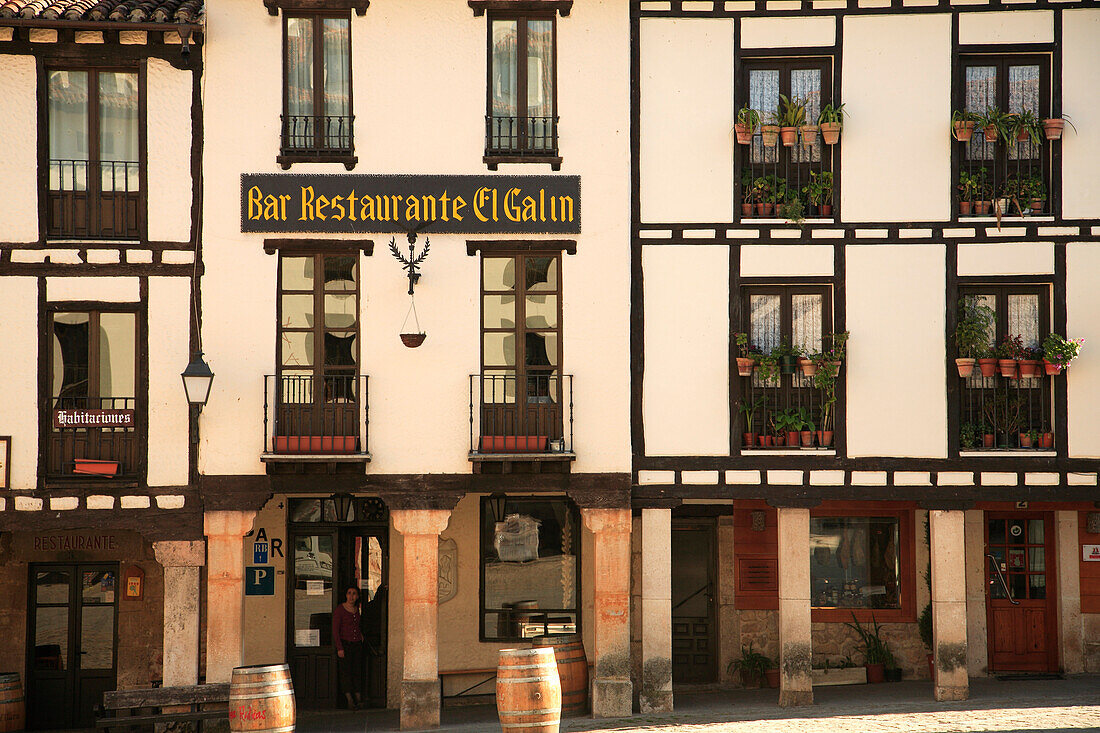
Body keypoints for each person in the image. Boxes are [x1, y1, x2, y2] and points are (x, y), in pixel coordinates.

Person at [333, 586, 364, 710]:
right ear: (346, 595)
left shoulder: (357, 609)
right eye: (349, 593)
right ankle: (349, 699)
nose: (351, 596)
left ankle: (358, 697)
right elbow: (335, 630)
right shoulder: (340, 610)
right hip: (345, 644)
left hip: (356, 644)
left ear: (357, 596)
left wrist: (361, 635)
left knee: (357, 670)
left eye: (354, 594)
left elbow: (358, 625)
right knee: (346, 672)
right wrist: (339, 647)